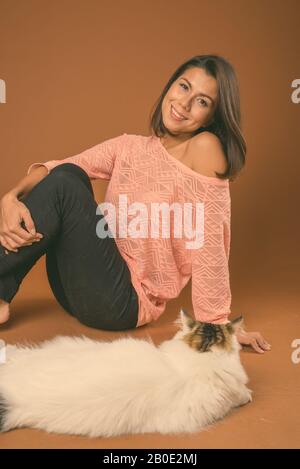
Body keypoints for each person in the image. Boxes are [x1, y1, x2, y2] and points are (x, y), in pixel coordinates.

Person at [0, 54, 271, 354]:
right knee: (69, 175)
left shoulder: (205, 149)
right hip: (77, 287)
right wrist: (10, 197)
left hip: (122, 302)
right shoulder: (129, 147)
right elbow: (59, 168)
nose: (184, 103)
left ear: (213, 117)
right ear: (170, 87)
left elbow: (210, 242)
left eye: (202, 101)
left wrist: (216, 324)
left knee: (66, 183)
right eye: (183, 87)